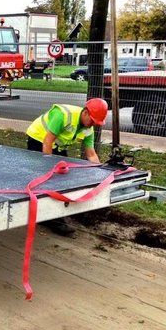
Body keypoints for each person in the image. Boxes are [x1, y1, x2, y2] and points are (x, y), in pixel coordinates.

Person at [26, 98, 108, 235]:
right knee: (45, 178)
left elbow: (91, 154)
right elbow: (47, 142)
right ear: (86, 113)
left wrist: (100, 174)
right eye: (93, 120)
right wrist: (48, 167)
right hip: (38, 139)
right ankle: (51, 218)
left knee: (62, 177)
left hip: (57, 145)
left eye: (96, 122)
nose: (93, 124)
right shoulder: (63, 115)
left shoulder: (88, 128)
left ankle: (55, 213)